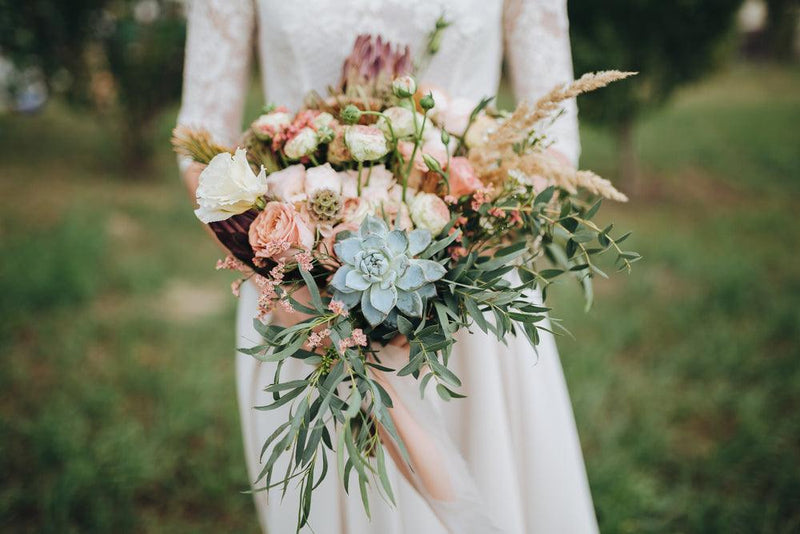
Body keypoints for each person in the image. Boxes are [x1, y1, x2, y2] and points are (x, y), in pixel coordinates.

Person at [177, 1, 599, 532]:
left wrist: (454, 257)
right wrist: (296, 278)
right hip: (302, 307)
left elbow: (556, 141)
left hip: (467, 306)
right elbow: (198, 140)